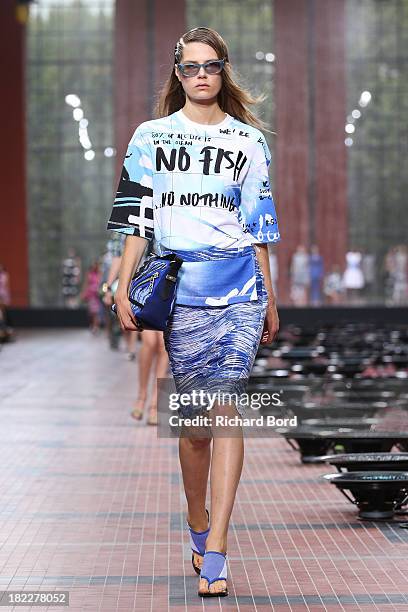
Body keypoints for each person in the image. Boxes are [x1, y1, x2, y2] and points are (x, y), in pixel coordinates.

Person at [107, 27, 280, 597]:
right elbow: (137, 217)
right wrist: (123, 283)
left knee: (225, 411)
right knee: (195, 428)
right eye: (190, 68)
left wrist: (270, 297)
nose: (201, 75)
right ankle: (198, 523)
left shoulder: (249, 143)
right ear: (176, 74)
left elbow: (259, 227)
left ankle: (219, 549)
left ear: (223, 70)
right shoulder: (150, 137)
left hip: (240, 290)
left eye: (210, 66)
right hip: (182, 290)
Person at [102, 235, 169, 425]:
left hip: (170, 278)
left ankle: (156, 405)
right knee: (149, 342)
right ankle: (141, 396)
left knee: (164, 346)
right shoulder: (133, 213)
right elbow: (119, 255)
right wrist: (109, 287)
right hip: (143, 282)